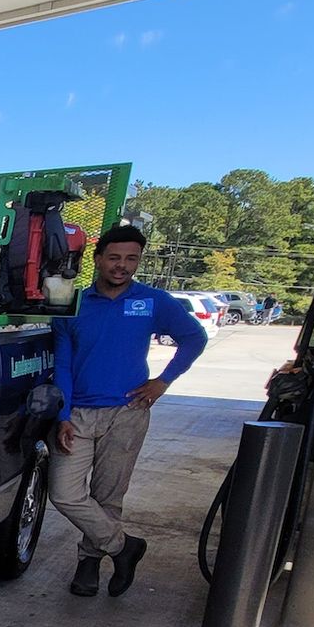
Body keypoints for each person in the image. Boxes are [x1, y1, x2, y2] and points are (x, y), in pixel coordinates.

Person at [49, 225, 209, 598]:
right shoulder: (73, 305)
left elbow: (193, 338)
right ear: (98, 259)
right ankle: (125, 547)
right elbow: (64, 365)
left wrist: (163, 381)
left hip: (127, 411)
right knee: (65, 494)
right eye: (115, 257)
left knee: (108, 495)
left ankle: (89, 563)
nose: (122, 266)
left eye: (131, 259)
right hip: (79, 415)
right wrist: (63, 415)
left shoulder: (153, 301)